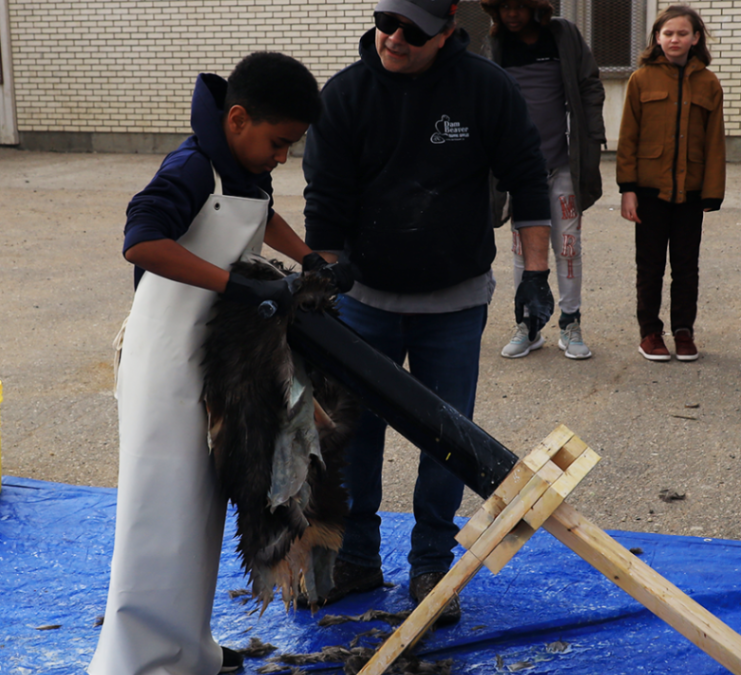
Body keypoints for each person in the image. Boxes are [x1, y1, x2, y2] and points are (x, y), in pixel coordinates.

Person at [302, 0, 552, 624]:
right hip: (365, 302)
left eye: (412, 30)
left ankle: (431, 566)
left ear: (447, 31)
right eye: (385, 21)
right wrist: (323, 291)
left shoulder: (484, 87)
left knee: (448, 440)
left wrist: (538, 273)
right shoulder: (346, 95)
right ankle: (355, 558)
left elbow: (528, 178)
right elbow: (324, 205)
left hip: (454, 300)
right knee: (352, 436)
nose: (392, 38)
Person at [90, 52, 327, 675]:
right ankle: (134, 662)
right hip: (161, 365)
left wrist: (311, 258)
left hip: (207, 363)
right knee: (158, 513)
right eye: (279, 143)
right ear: (239, 118)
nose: (282, 158)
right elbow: (140, 238)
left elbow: (260, 212)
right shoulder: (192, 166)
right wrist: (233, 285)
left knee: (199, 513)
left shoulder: (239, 164)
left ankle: (186, 648)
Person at [481, 0, 606, 360]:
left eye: (520, 6)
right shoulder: (496, 44)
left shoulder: (563, 35)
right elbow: (487, 100)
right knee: (523, 250)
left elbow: (589, 86)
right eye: (505, 8)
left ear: (537, 7)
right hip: (521, 171)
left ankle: (570, 323)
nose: (512, 14)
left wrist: (592, 139)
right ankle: (528, 324)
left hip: (564, 164)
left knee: (568, 248)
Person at [616, 5, 725, 362]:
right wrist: (627, 189)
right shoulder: (641, 80)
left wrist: (712, 191)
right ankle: (650, 332)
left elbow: (714, 142)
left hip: (690, 194)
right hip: (650, 192)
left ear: (695, 39)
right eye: (667, 33)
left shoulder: (708, 83)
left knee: (686, 266)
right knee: (649, 266)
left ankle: (683, 331)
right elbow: (628, 139)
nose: (674, 39)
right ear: (657, 38)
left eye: (682, 33)